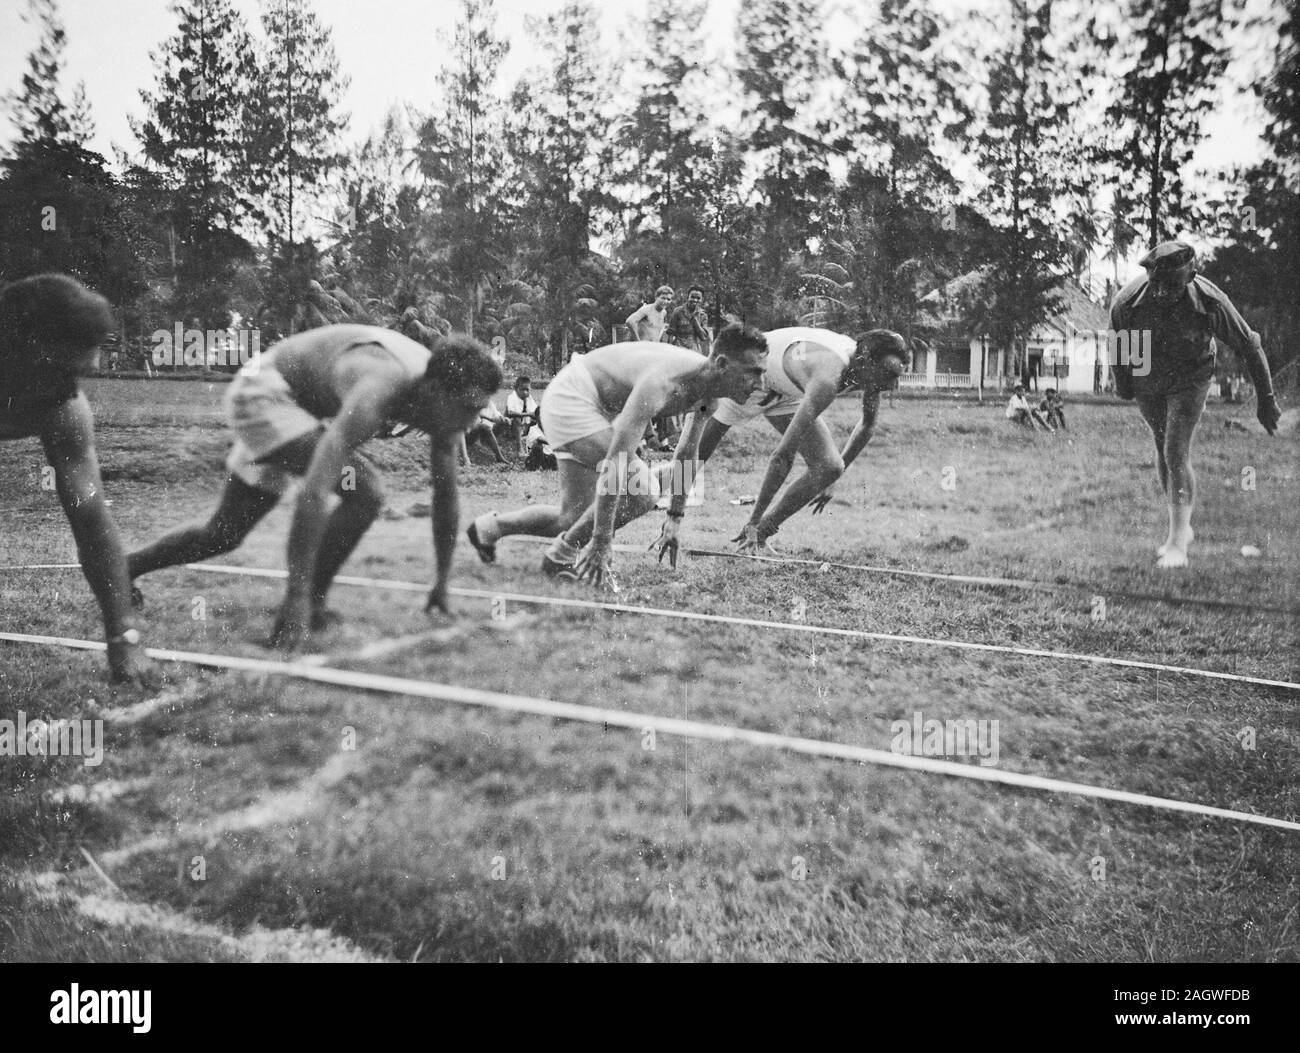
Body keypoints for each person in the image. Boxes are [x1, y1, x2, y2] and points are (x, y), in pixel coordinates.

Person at [128, 325, 501, 649]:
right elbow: (314, 491)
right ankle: (312, 602)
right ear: (436, 391)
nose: (472, 422)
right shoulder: (379, 385)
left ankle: (122, 570)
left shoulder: (446, 408)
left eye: (478, 410)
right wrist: (296, 598)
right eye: (468, 408)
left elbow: (445, 495)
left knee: (224, 534)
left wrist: (441, 583)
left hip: (296, 405)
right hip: (265, 391)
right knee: (366, 491)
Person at [465, 324, 769, 586]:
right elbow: (617, 461)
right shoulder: (662, 383)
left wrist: (674, 519)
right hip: (573, 397)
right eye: (753, 372)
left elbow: (688, 456)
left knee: (572, 519)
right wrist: (600, 539)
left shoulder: (708, 397)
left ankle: (488, 529)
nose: (761, 384)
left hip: (597, 406)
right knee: (642, 492)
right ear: (722, 363)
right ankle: (560, 558)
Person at [0, 274, 151, 684]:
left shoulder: (65, 406)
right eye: (83, 350)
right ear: (34, 349)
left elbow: (92, 519)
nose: (96, 364)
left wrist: (125, 634)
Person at [650, 327, 908, 560]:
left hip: (783, 392)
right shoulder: (828, 376)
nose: (893, 385)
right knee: (687, 465)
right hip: (747, 379)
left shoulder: (869, 370)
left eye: (897, 375)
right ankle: (627, 491)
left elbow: (867, 426)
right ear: (866, 362)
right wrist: (752, 518)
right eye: (889, 374)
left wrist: (829, 480)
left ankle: (762, 533)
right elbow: (782, 456)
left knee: (830, 466)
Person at [1110, 240, 1282, 568]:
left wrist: (1267, 400)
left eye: (1171, 286)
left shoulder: (1211, 301)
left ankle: (1177, 544)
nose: (1161, 293)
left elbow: (1250, 346)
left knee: (1176, 449)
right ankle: (1181, 528)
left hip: (1191, 376)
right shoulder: (1127, 302)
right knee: (1163, 447)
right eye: (1155, 284)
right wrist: (1124, 386)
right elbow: (1119, 342)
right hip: (1148, 374)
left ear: (1190, 278)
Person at [662, 286, 710, 354]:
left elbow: (703, 337)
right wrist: (669, 351)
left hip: (694, 351)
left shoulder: (703, 315)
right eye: (692, 297)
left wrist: (696, 322)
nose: (695, 300)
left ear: (702, 299)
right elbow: (671, 333)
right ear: (688, 297)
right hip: (678, 349)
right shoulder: (678, 311)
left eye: (698, 298)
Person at [461, 397, 509, 465]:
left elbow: (494, 414)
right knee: (483, 426)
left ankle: (499, 457)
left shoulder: (487, 401)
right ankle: (466, 457)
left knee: (486, 426)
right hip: (463, 435)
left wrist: (501, 418)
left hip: (475, 431)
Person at [505, 374, 541, 457]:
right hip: (510, 427)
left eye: (527, 390)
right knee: (516, 418)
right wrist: (528, 414)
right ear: (516, 389)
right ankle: (519, 449)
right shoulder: (512, 397)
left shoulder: (529, 398)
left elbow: (535, 411)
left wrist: (536, 414)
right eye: (522, 389)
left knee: (537, 419)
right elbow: (510, 413)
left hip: (523, 426)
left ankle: (535, 442)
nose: (525, 392)